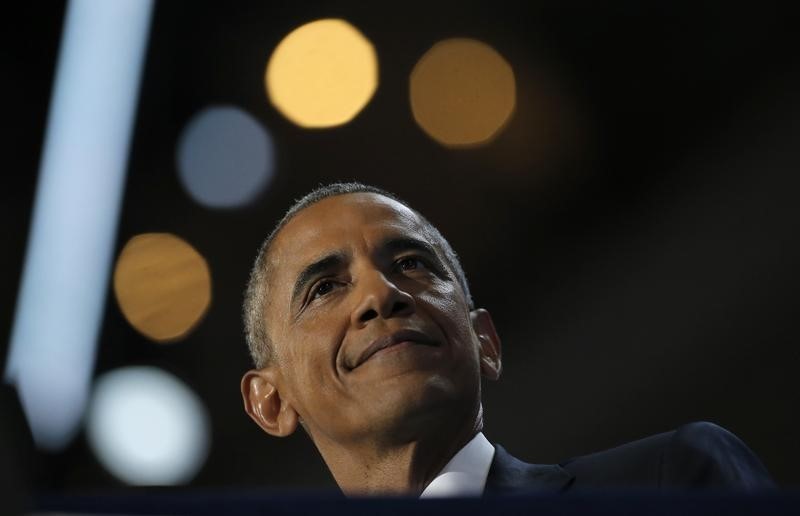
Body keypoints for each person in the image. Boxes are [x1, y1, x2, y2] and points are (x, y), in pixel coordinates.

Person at [240, 182, 773, 496]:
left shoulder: (669, 481)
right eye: (326, 287)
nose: (380, 295)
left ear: (484, 342)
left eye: (411, 264)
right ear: (272, 401)